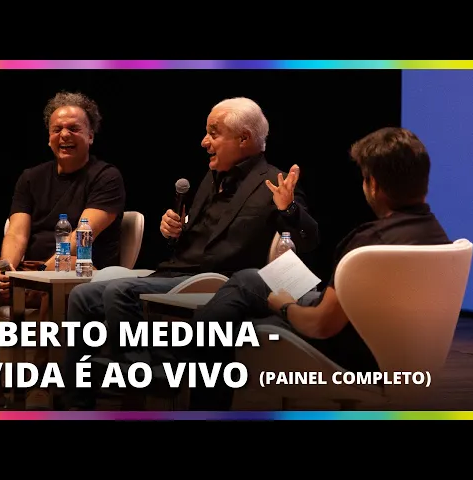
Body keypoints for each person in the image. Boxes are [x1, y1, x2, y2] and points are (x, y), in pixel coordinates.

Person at [61, 96, 320, 410]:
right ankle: (75, 404)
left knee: (120, 291)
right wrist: (175, 233)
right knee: (82, 295)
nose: (204, 142)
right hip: (177, 272)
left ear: (243, 138)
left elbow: (308, 241)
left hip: (219, 281)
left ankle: (148, 387)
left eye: (213, 133)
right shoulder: (211, 179)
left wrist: (289, 209)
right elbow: (195, 243)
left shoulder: (273, 183)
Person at [187, 126, 452, 410]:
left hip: (349, 355)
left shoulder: (370, 245)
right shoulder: (438, 236)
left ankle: (191, 372)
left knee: (237, 314)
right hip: (393, 351)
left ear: (373, 184)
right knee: (251, 279)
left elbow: (321, 325)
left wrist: (285, 306)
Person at [0, 91, 126, 410]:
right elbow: (17, 231)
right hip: (30, 271)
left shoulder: (106, 177)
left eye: (74, 128)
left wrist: (43, 272)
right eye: (57, 129)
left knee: (58, 279)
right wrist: (7, 269)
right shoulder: (31, 177)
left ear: (91, 135)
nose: (64, 135)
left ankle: (43, 384)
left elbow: (83, 234)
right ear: (49, 137)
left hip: (80, 273)